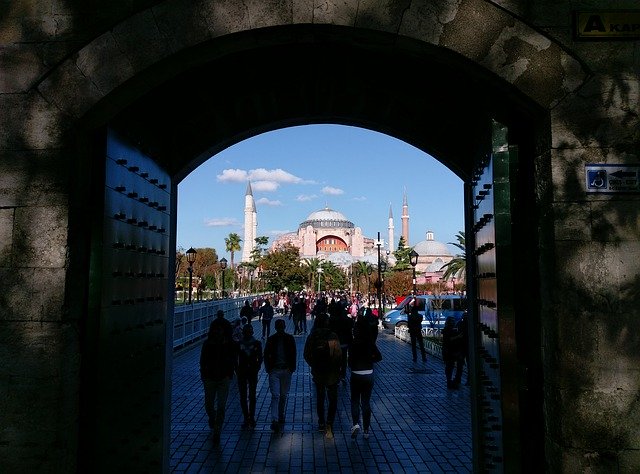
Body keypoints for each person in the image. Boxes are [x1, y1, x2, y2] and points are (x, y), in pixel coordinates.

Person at [199, 310, 237, 446]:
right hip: (209, 376)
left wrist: (229, 372)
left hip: (223, 377)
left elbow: (233, 358)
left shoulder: (228, 344)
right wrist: (203, 373)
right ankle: (212, 417)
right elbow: (202, 360)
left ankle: (217, 429)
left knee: (221, 405)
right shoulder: (208, 344)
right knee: (208, 404)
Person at [303, 313, 342, 439]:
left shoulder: (313, 336)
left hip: (318, 372)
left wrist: (314, 365)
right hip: (332, 373)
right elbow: (338, 355)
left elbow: (306, 354)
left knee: (320, 398)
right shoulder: (333, 335)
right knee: (332, 399)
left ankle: (321, 421)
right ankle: (329, 423)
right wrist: (338, 368)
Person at [348, 314, 382, 440]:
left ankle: (356, 424)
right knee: (366, 401)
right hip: (368, 373)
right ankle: (366, 429)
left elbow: (349, 363)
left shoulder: (353, 343)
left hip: (356, 374)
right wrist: (370, 359)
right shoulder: (370, 343)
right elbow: (379, 357)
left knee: (355, 400)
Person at [263, 318, 296, 432]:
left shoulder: (289, 338)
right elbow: (266, 354)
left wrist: (292, 368)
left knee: (283, 395)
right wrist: (269, 368)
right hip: (275, 370)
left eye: (282, 326)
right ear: (276, 328)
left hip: (286, 370)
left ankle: (280, 414)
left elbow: (293, 353)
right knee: (275, 395)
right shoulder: (271, 339)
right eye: (279, 327)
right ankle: (275, 419)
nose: (281, 329)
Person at [236, 324, 263, 429]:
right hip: (249, 371)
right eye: (246, 332)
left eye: (249, 332)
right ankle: (249, 417)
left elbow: (260, 357)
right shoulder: (256, 343)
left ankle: (248, 417)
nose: (247, 333)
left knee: (247, 396)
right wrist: (257, 366)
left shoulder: (240, 344)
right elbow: (260, 357)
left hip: (247, 371)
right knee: (249, 396)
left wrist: (237, 369)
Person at [329, 302, 353, 383]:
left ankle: (336, 373)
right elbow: (350, 330)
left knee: (334, 358)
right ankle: (342, 374)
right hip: (344, 342)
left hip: (334, 342)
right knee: (343, 359)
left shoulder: (332, 320)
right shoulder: (346, 320)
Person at [442, 316, 465, 389]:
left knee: (453, 367)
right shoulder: (446, 330)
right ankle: (450, 382)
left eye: (453, 321)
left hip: (453, 351)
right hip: (449, 351)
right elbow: (448, 340)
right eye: (451, 321)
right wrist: (458, 337)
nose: (453, 322)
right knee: (450, 367)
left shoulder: (453, 330)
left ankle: (454, 381)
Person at [407, 297, 427, 368]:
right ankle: (424, 357)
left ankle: (415, 357)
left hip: (413, 332)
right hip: (418, 331)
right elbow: (419, 321)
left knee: (414, 346)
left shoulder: (410, 317)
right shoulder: (420, 316)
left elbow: (409, 324)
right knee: (421, 345)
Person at [457, 311, 470, 385]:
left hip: (461, 346)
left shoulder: (460, 324)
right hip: (468, 346)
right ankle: (469, 380)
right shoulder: (470, 325)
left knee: (460, 365)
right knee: (469, 365)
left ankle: (458, 379)